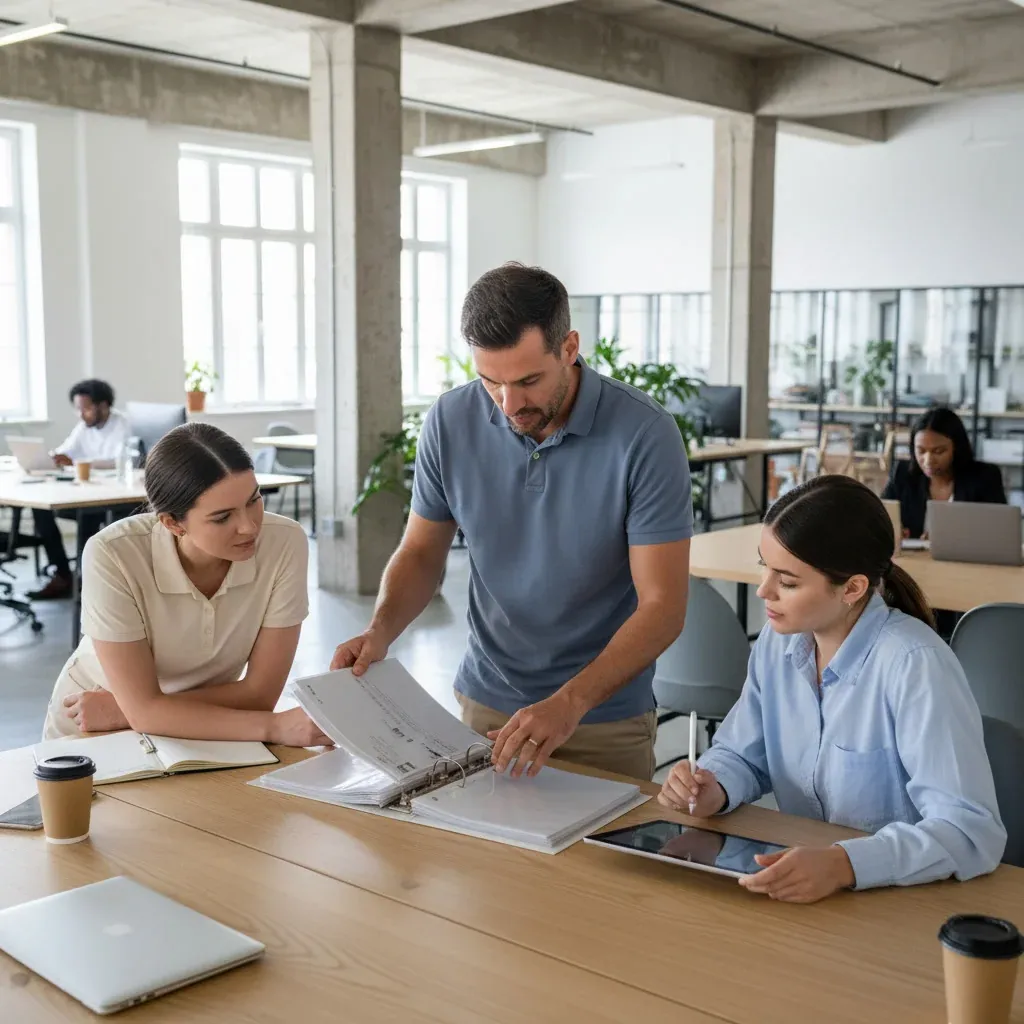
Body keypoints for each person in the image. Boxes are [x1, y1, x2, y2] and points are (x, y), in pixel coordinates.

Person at [330, 263, 693, 780]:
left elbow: (664, 606)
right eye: (490, 382)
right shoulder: (449, 421)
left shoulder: (645, 434)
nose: (509, 404)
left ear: (569, 347)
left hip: (601, 718)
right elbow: (420, 553)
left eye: (528, 381)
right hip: (487, 708)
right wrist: (380, 630)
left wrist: (569, 704)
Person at [659, 475, 1005, 903]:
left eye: (786, 581)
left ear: (853, 588)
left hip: (903, 900)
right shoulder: (777, 642)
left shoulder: (914, 664)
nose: (763, 590)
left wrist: (846, 864)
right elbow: (742, 754)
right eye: (764, 567)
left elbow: (969, 830)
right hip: (807, 892)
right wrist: (713, 785)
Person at [42, 421, 330, 748]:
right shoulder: (112, 554)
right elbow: (147, 710)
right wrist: (274, 728)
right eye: (223, 517)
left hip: (146, 717)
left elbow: (259, 695)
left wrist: (135, 711)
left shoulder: (285, 542)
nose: (249, 527)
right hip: (91, 723)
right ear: (172, 522)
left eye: (254, 499)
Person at [28, 379, 132, 600]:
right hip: (84, 492)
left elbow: (118, 460)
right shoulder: (84, 427)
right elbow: (66, 450)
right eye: (78, 409)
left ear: (103, 405)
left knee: (88, 517)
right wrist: (55, 457)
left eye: (85, 408)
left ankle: (89, 579)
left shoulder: (122, 425)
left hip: (111, 498)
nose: (81, 414)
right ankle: (63, 574)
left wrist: (80, 462)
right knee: (41, 511)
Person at [882, 406, 1006, 540]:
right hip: (914, 559)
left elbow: (1000, 532)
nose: (928, 460)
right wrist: (894, 530)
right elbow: (877, 516)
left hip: (966, 559)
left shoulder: (984, 477)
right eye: (921, 451)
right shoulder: (902, 474)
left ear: (956, 448)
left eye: (938, 451)